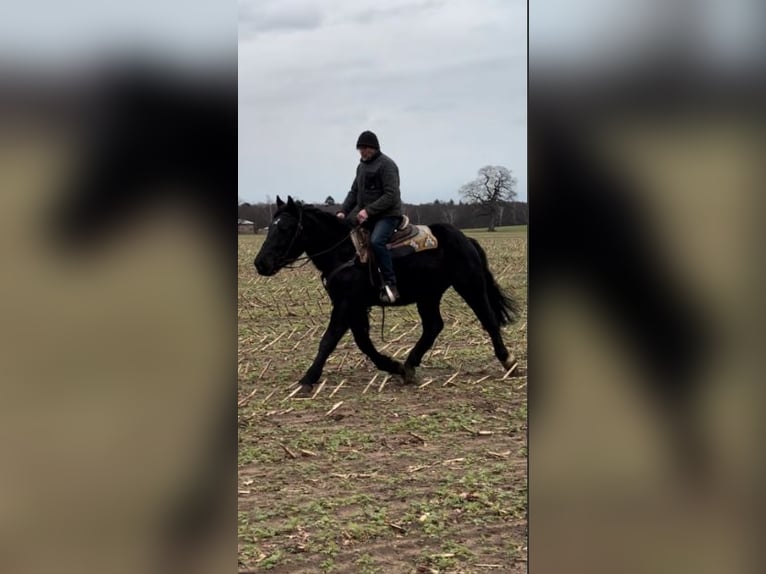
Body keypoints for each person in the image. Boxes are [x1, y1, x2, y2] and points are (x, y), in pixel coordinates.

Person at [336, 130, 403, 303]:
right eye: (360, 149)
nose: (362, 152)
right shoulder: (361, 167)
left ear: (374, 148)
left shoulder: (387, 165)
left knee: (376, 241)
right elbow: (354, 191)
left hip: (388, 215)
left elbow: (391, 196)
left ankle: (390, 284)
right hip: (368, 215)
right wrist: (343, 211)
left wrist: (368, 211)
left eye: (365, 148)